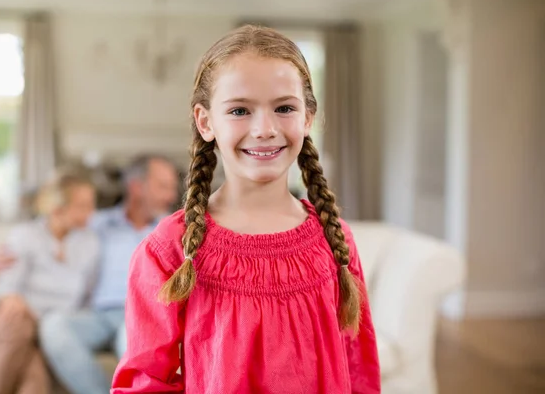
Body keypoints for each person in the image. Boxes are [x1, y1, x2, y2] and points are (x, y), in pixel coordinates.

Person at [111, 25, 381, 393]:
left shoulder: (336, 242)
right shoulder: (171, 250)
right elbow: (145, 382)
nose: (265, 129)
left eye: (284, 107)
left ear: (307, 118)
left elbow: (359, 373)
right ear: (206, 122)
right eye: (240, 110)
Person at [37, 155, 179, 394]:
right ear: (137, 187)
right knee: (53, 326)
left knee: (133, 341)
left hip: (141, 313)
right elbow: (53, 226)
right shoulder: (97, 224)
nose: (172, 196)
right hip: (97, 314)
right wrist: (14, 253)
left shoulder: (172, 230)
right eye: (163, 186)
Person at [0, 173, 99, 394]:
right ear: (57, 208)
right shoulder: (26, 234)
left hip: (42, 328)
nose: (91, 213)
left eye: (91, 205)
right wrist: (13, 298)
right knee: (18, 325)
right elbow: (8, 291)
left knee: (34, 382)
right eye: (82, 206)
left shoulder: (91, 243)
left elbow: (85, 299)